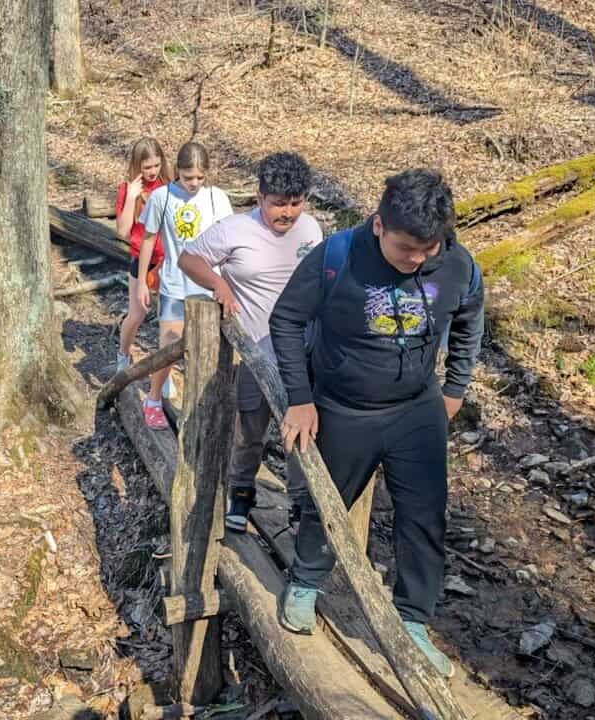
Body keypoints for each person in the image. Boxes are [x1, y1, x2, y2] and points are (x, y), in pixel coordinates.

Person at [269, 169, 485, 678]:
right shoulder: (337, 257)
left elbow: (471, 316)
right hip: (344, 405)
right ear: (378, 224)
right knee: (328, 501)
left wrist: (455, 388)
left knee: (424, 516)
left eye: (428, 249)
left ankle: (412, 620)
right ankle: (306, 581)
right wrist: (300, 399)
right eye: (406, 248)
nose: (417, 259)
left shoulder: (457, 263)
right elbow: (286, 320)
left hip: (417, 406)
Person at [177, 152, 321, 533]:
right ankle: (241, 492)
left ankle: (300, 503)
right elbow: (188, 259)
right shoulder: (235, 230)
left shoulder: (311, 230)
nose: (287, 213)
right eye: (278, 204)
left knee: (301, 432)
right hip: (255, 351)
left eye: (295, 203)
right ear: (259, 197)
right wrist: (219, 284)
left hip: (302, 353)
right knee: (249, 431)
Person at [135, 142, 233, 429]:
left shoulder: (216, 198)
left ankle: (203, 408)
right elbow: (149, 239)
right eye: (189, 177)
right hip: (174, 285)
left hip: (209, 287)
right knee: (169, 345)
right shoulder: (162, 197)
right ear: (178, 170)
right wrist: (141, 282)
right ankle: (153, 400)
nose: (194, 183)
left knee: (209, 353)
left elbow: (230, 242)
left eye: (200, 177)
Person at [115, 138, 174, 372]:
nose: (152, 171)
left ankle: (165, 369)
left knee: (168, 317)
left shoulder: (168, 185)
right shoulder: (128, 189)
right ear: (137, 165)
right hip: (141, 260)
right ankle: (123, 355)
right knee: (137, 313)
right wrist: (131, 197)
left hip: (166, 260)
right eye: (147, 167)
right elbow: (122, 231)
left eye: (156, 165)